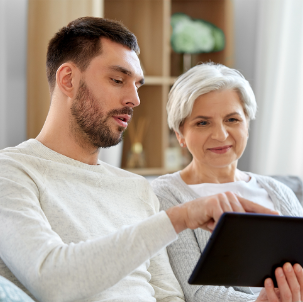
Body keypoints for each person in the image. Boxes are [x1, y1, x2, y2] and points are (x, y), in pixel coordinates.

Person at [0, 17, 277, 302]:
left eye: (137, 85)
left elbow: (169, 297)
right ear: (68, 80)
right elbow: (51, 280)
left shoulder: (136, 188)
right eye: (118, 80)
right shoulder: (12, 172)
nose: (134, 99)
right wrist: (179, 218)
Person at [151, 62, 303, 302]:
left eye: (232, 119)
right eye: (202, 122)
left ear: (247, 124)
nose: (221, 135)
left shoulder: (278, 192)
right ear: (180, 134)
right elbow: (197, 292)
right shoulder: (165, 196)